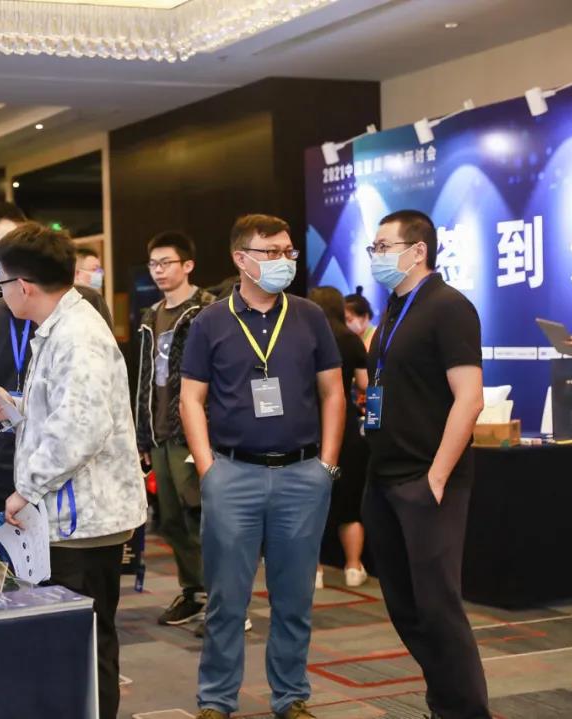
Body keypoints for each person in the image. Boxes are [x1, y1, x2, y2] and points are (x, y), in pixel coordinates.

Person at [0, 222, 146, 719]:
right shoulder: (60, 326)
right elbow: (66, 411)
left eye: (2, 283)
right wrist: (16, 408)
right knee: (72, 645)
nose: (2, 293)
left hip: (83, 523)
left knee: (86, 647)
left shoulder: (78, 335)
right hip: (72, 517)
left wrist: (26, 489)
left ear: (24, 285)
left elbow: (81, 429)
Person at [180, 214, 345, 719]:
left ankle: (291, 696)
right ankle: (216, 700)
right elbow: (191, 399)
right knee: (227, 600)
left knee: (294, 599)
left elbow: (333, 392)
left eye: (289, 251)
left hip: (302, 474)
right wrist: (208, 469)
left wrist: (327, 465)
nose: (284, 261)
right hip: (233, 474)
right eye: (271, 252)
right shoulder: (209, 322)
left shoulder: (309, 316)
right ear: (241, 259)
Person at [361, 210, 489, 719]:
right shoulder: (392, 311)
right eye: (373, 247)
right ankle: (445, 703)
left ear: (418, 251)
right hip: (383, 478)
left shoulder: (448, 307)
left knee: (438, 609)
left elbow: (470, 398)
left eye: (384, 246)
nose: (376, 256)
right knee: (405, 607)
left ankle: (466, 711)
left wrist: (436, 476)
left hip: (427, 481)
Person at [0, 201, 113, 537]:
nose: (0, 265)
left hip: (64, 482)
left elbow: (82, 419)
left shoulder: (77, 317)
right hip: (8, 463)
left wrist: (28, 489)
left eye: (6, 250)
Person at [135, 231, 215, 625]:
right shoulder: (150, 315)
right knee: (170, 519)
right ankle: (194, 591)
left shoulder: (208, 310)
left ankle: (222, 598)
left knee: (200, 515)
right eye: (153, 264)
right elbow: (144, 377)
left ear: (188, 265)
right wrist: (142, 434)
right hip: (160, 431)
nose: (159, 271)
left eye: (166, 263)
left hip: (194, 430)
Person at [308, 286, 369, 588]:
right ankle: (354, 567)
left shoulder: (304, 338)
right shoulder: (351, 340)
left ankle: (315, 571)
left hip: (310, 430)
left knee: (310, 505)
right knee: (349, 503)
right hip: (346, 431)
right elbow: (366, 385)